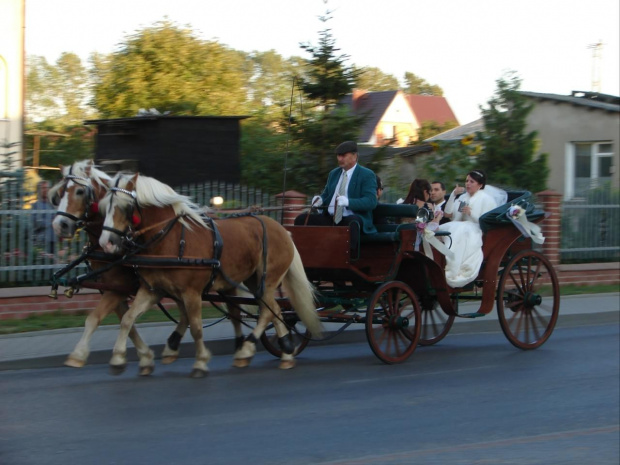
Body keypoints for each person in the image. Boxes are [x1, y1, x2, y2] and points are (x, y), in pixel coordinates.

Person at [294, 141, 378, 251]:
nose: (339, 159)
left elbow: (371, 201)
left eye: (343, 155)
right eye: (338, 155)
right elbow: (326, 194)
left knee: (352, 222)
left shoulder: (366, 174)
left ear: (354, 156)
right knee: (301, 219)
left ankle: (349, 259)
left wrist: (348, 202)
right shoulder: (334, 173)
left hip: (352, 218)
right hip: (331, 218)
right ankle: (304, 257)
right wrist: (320, 200)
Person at [438, 169, 503, 288]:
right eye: (467, 181)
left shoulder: (486, 199)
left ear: (480, 184)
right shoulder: (463, 198)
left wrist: (470, 213)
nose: (468, 184)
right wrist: (453, 195)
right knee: (444, 230)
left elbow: (487, 222)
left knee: (460, 230)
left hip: (475, 229)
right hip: (461, 225)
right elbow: (449, 214)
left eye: (472, 181)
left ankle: (454, 265)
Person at [31, 180, 56, 254]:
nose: (46, 190)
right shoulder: (35, 205)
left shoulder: (53, 205)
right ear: (39, 190)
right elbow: (36, 223)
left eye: (47, 188)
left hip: (53, 240)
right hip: (41, 240)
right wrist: (51, 222)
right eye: (43, 188)